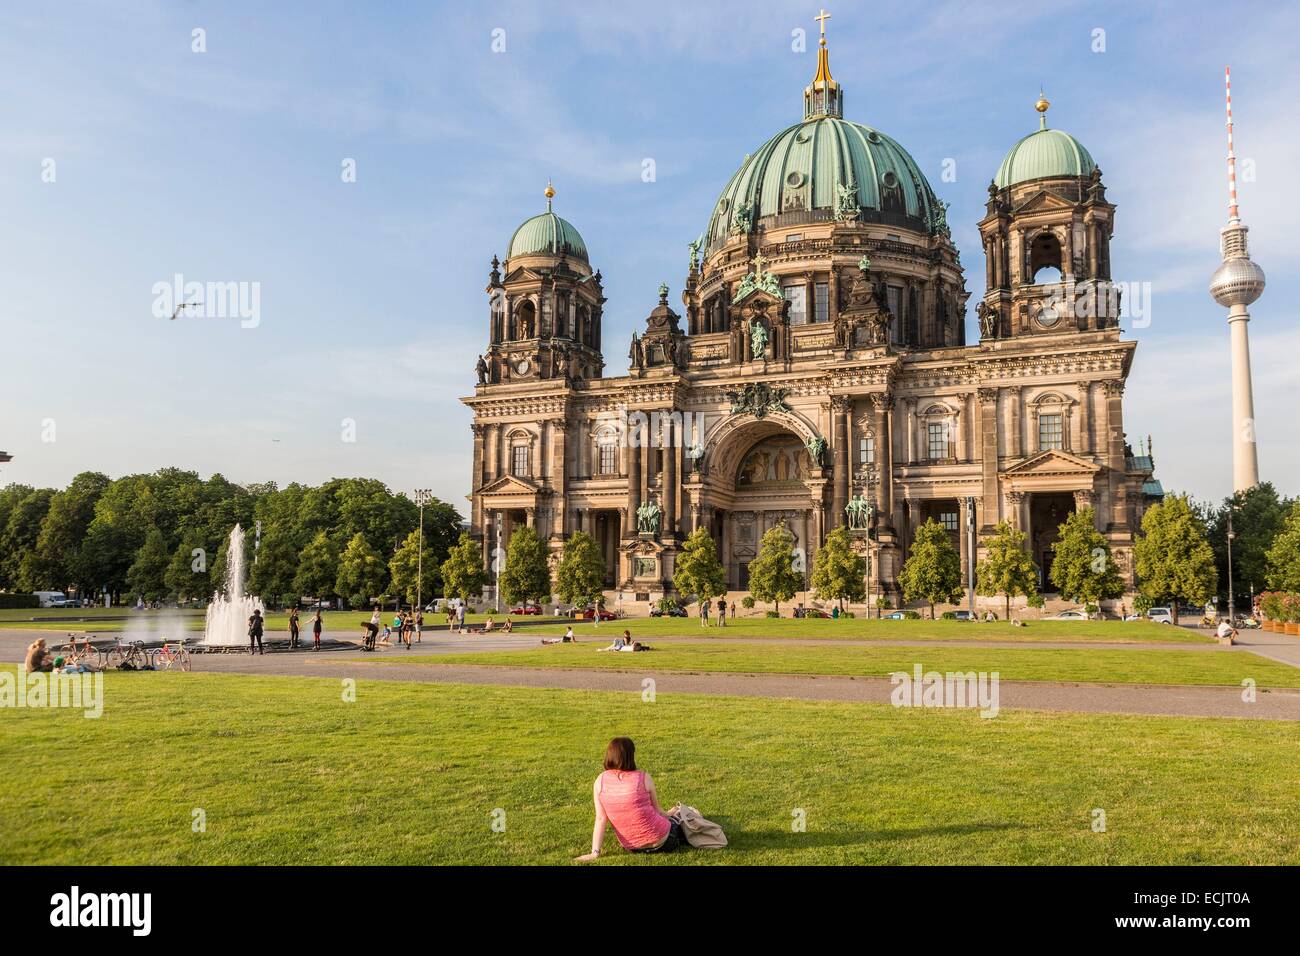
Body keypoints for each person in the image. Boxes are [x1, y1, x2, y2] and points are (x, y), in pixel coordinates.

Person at [575, 737, 686, 861]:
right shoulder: (643, 778)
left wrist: (595, 852)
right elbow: (659, 811)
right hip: (664, 842)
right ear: (630, 756)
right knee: (681, 821)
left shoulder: (599, 781)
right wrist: (672, 813)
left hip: (632, 847)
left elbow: (601, 818)